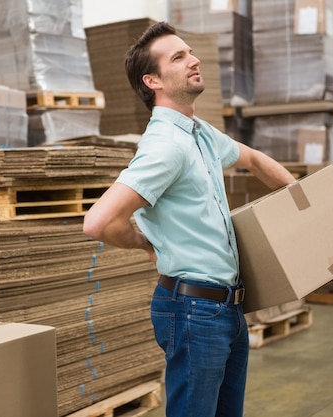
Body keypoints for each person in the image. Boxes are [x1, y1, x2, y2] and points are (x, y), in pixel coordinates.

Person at [82, 21, 296, 417]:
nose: (194, 60)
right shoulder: (165, 147)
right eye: (178, 57)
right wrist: (145, 243)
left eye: (190, 52)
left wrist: (301, 197)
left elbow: (251, 159)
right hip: (194, 311)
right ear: (153, 80)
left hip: (226, 308)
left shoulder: (199, 133)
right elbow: (98, 222)